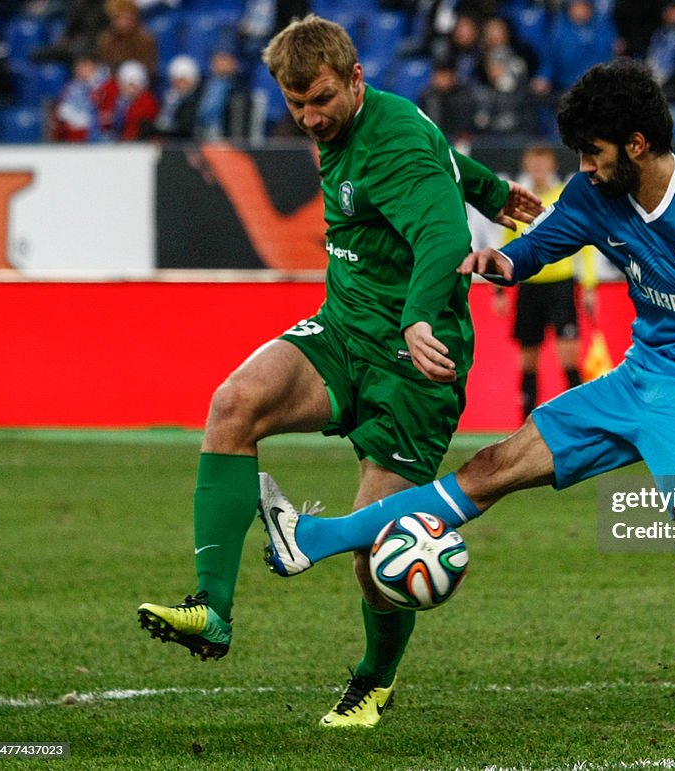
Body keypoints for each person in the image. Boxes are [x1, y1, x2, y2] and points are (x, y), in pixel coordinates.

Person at [258, 59, 675, 742]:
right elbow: (540, 245)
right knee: (490, 468)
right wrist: (502, 262)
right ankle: (312, 539)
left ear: (637, 145)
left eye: (593, 155)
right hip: (635, 380)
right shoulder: (594, 196)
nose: (584, 169)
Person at [136, 13, 542, 731]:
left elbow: (441, 232)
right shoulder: (372, 121)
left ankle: (373, 680)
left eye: (322, 99)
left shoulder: (390, 143)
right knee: (235, 403)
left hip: (418, 358)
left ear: (357, 79)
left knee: (377, 555)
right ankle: (211, 608)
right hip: (347, 325)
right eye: (297, 106)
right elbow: (445, 166)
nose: (310, 118)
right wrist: (488, 187)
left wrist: (419, 315)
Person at [493, 143, 597, 420]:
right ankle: (527, 421)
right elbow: (509, 240)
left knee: (569, 354)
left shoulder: (563, 196)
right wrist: (499, 289)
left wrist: (589, 286)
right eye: (534, 165)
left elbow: (585, 244)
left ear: (552, 167)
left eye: (543, 164)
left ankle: (579, 419)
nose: (539, 170)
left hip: (561, 285)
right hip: (529, 287)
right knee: (528, 358)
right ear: (527, 167)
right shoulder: (520, 201)